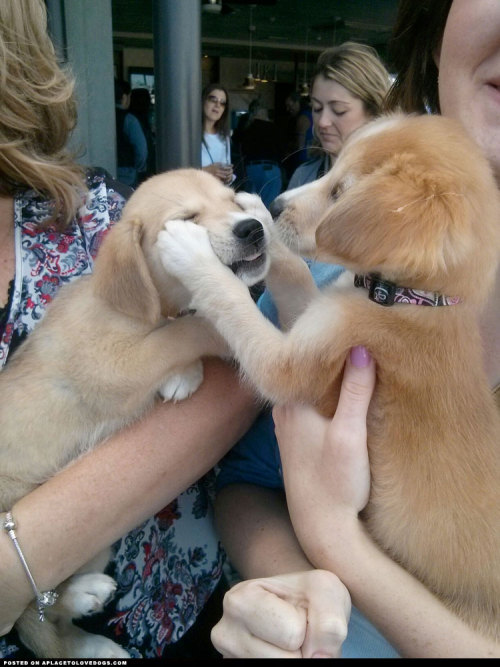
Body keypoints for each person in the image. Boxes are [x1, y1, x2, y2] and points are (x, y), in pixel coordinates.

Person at [211, 0, 500, 658]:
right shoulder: (330, 252)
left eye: (338, 107)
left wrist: (336, 542)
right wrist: (296, 591)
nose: (323, 122)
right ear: (437, 30)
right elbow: (247, 480)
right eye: (316, 108)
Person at [0, 1, 259, 658]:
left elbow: (240, 380)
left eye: (225, 205)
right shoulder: (122, 255)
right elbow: (115, 372)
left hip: (181, 605)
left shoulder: (87, 212)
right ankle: (56, 634)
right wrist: (201, 337)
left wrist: (13, 566)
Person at [288, 41, 391, 190]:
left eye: (338, 110)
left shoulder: (394, 185)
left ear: (374, 112)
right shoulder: (303, 176)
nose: (322, 122)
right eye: (316, 108)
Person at [236, 98, 285, 209]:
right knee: (268, 208)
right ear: (264, 112)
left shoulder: (246, 128)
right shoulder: (273, 128)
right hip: (270, 169)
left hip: (251, 170)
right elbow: (281, 151)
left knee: (250, 208)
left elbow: (238, 148)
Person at [114, 79, 148, 188]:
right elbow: (141, 150)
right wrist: (139, 168)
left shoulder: (105, 117)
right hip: (128, 173)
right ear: (124, 97)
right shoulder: (129, 119)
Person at [201, 83, 234, 185]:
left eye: (223, 103)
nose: (218, 105)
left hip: (217, 194)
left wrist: (229, 176)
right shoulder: (189, 134)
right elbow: (177, 171)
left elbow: (226, 170)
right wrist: (206, 170)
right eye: (213, 100)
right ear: (203, 101)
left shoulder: (224, 137)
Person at [283, 91, 313, 180]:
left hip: (301, 162)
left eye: (289, 105)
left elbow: (300, 146)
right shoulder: (311, 115)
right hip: (310, 160)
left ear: (297, 102)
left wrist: (287, 150)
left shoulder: (302, 119)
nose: (288, 109)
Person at [128, 87, 156, 183]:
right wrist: (141, 169)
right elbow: (141, 149)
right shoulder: (132, 120)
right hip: (140, 170)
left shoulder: (131, 117)